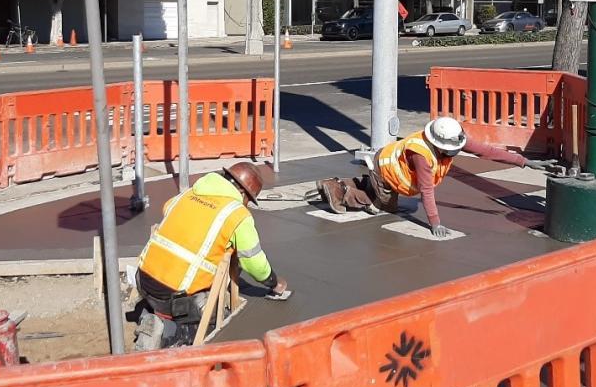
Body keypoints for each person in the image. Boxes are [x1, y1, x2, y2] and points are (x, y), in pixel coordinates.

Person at [133, 163, 289, 350]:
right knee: (212, 313)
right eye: (249, 200)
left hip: (142, 280)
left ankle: (150, 315)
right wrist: (273, 282)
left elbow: (167, 209)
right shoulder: (237, 214)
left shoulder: (189, 193)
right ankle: (169, 332)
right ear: (242, 191)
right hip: (174, 296)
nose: (247, 205)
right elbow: (253, 261)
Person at [316, 117, 554, 238]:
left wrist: (525, 162)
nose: (458, 151)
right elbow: (427, 190)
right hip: (385, 171)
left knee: (384, 196)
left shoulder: (451, 139)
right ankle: (341, 191)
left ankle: (360, 186)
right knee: (381, 207)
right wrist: (435, 222)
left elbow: (486, 151)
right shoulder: (422, 156)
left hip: (390, 168)